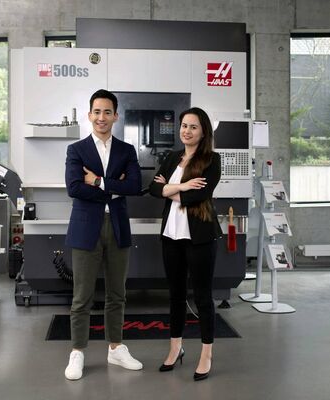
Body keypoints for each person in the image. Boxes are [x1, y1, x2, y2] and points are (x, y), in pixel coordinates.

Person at [63, 89, 143, 380]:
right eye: (97, 112)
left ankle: (116, 348)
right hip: (87, 228)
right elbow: (74, 188)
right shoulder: (76, 150)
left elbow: (135, 186)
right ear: (89, 115)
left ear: (115, 116)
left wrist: (97, 181)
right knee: (82, 296)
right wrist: (113, 188)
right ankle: (77, 352)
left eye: (107, 112)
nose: (101, 117)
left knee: (117, 294)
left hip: (118, 226)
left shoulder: (126, 150)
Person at [149, 107, 222, 381]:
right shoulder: (172, 157)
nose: (186, 131)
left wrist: (168, 189)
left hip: (199, 237)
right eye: (184, 125)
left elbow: (198, 196)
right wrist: (181, 186)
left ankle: (206, 353)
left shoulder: (212, 160)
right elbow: (153, 189)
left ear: (203, 132)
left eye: (193, 127)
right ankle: (175, 348)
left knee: (203, 297)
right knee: (176, 295)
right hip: (171, 236)